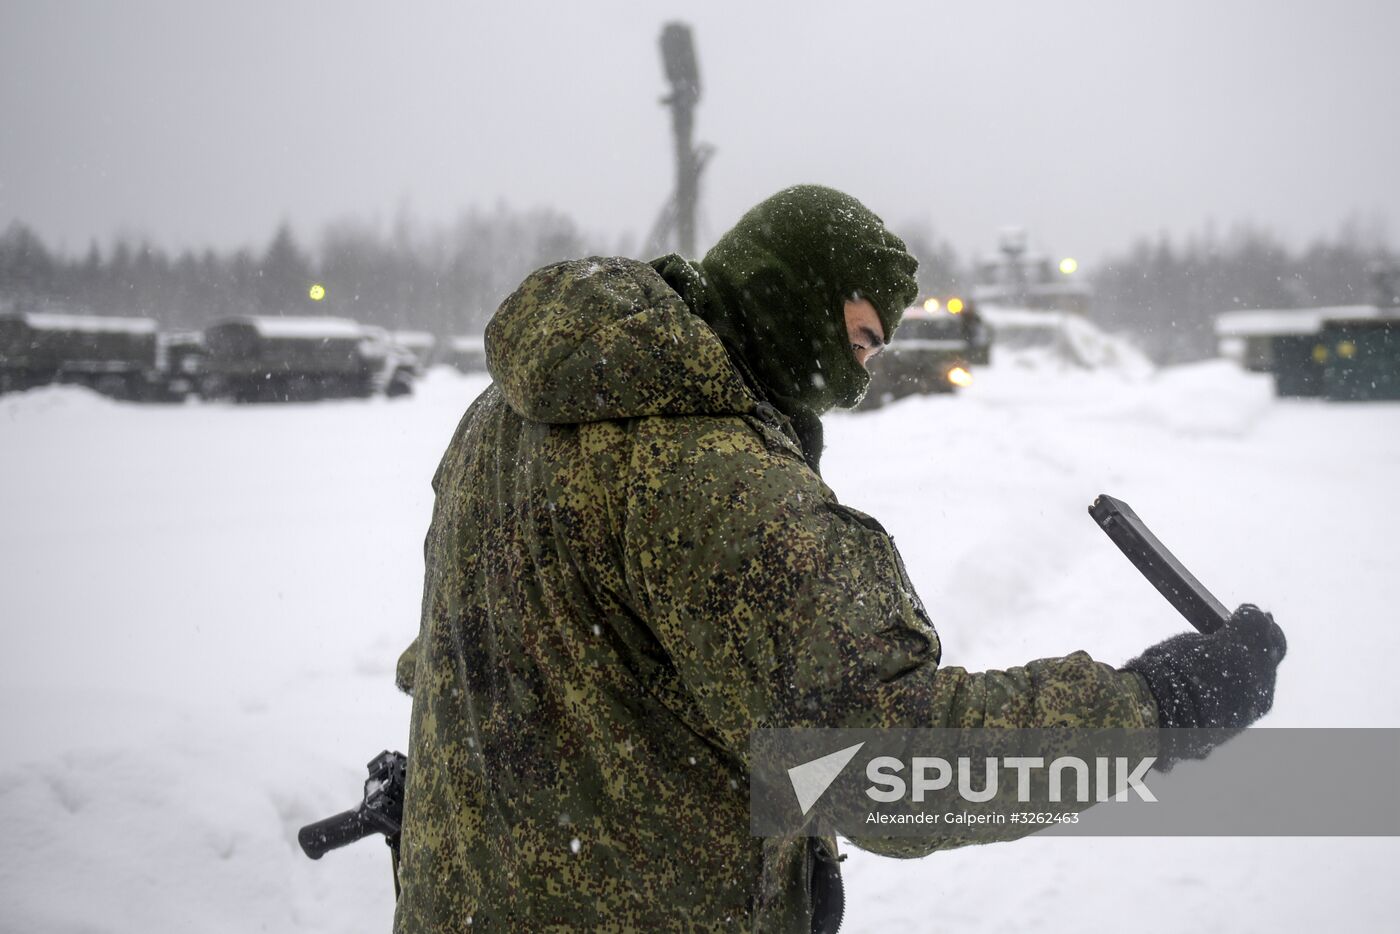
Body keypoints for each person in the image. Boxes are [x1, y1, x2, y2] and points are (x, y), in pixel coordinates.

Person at [391, 185, 1286, 933]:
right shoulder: (719, 480)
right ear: (788, 293)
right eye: (857, 340)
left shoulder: (508, 415)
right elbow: (877, 763)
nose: (857, 384)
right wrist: (1153, 710)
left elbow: (472, 644)